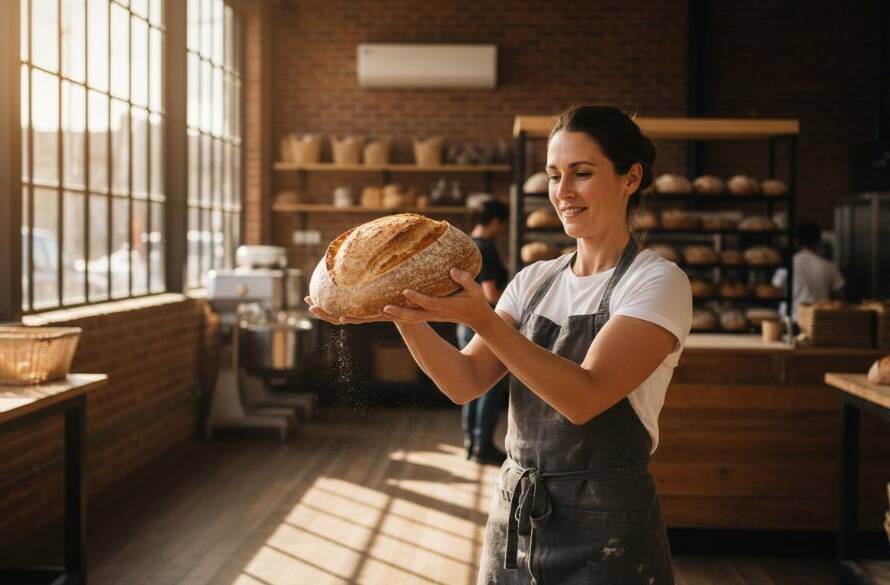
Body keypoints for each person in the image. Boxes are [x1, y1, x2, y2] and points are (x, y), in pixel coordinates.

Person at [308, 105, 692, 584]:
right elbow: (464, 383)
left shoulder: (657, 282)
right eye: (554, 176)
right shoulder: (533, 280)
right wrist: (400, 310)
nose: (563, 192)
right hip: (516, 514)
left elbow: (584, 397)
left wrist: (485, 322)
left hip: (608, 524)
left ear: (630, 178)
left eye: (583, 173)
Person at [458, 199, 510, 465]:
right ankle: (484, 448)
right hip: (483, 323)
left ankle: (471, 443)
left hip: (463, 322)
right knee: (489, 387)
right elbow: (490, 294)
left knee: (470, 384)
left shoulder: (466, 245)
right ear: (496, 222)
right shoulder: (486, 249)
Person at [772, 222, 845, 321]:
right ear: (818, 241)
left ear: (796, 242)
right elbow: (839, 296)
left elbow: (776, 290)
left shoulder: (787, 265)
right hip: (819, 321)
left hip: (790, 320)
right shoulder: (828, 266)